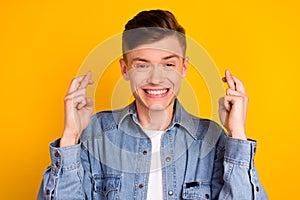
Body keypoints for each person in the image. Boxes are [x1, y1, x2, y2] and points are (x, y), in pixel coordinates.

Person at [38, 10, 267, 199]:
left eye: (168, 65)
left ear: (183, 68)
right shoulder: (96, 134)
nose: (156, 78)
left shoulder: (212, 139)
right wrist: (70, 136)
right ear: (125, 69)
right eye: (142, 65)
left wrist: (237, 135)